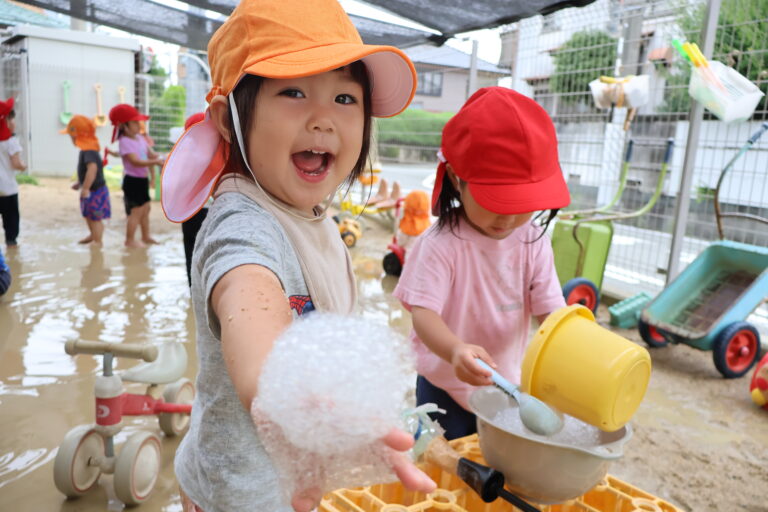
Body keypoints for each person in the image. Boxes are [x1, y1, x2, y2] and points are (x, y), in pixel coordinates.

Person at [159, 1, 435, 511]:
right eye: (292, 90)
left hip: (287, 482)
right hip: (237, 494)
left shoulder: (309, 207)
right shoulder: (243, 223)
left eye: (346, 97)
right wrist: (282, 396)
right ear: (227, 119)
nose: (323, 118)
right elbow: (249, 296)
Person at [393, 87, 571, 440]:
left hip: (505, 386)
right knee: (440, 466)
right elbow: (423, 314)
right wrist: (455, 349)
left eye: (524, 203)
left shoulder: (533, 241)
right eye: (497, 200)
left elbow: (551, 312)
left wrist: (575, 346)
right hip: (444, 385)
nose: (509, 217)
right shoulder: (441, 244)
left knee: (494, 474)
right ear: (457, 180)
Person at [108, 104, 164, 248]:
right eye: (134, 122)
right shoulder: (124, 142)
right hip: (132, 181)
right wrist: (156, 161)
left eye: (139, 122)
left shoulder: (139, 137)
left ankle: (146, 236)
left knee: (146, 209)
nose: (139, 125)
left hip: (142, 180)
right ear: (123, 126)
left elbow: (150, 153)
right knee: (136, 212)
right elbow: (135, 161)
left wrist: (162, 157)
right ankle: (129, 240)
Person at [62, 115, 111, 245]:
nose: (71, 139)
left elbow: (92, 169)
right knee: (89, 216)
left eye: (71, 136)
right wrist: (80, 183)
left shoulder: (89, 150)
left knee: (95, 219)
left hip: (95, 191)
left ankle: (98, 241)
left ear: (77, 136)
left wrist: (86, 188)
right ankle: (93, 235)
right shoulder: (86, 149)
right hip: (91, 189)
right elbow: (88, 171)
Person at [178, 112, 207, 286]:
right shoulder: (216, 152)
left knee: (191, 250)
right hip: (207, 211)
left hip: (188, 212)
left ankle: (193, 287)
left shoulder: (182, 153)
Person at [0, 98, 26, 248]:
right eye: (13, 119)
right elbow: (16, 164)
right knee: (11, 223)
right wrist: (23, 166)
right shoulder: (11, 142)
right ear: (6, 122)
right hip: (8, 190)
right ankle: (11, 246)